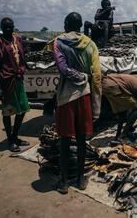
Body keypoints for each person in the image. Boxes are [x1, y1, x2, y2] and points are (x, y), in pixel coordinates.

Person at [53, 12, 102, 194]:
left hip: (66, 97)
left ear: (66, 24)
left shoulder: (58, 42)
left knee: (64, 141)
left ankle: (64, 181)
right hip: (84, 95)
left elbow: (63, 68)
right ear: (81, 25)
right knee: (82, 139)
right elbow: (97, 75)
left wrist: (78, 76)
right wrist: (96, 106)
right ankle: (81, 178)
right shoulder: (90, 44)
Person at [0, 17, 30, 152]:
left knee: (22, 109)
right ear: (2, 27)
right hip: (6, 80)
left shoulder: (17, 39)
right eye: (6, 27)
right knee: (8, 111)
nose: (9, 29)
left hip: (18, 79)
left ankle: (15, 136)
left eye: (11, 26)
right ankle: (10, 140)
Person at [102, 73, 137, 142]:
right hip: (113, 87)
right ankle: (123, 135)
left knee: (123, 111)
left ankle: (118, 135)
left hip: (107, 82)